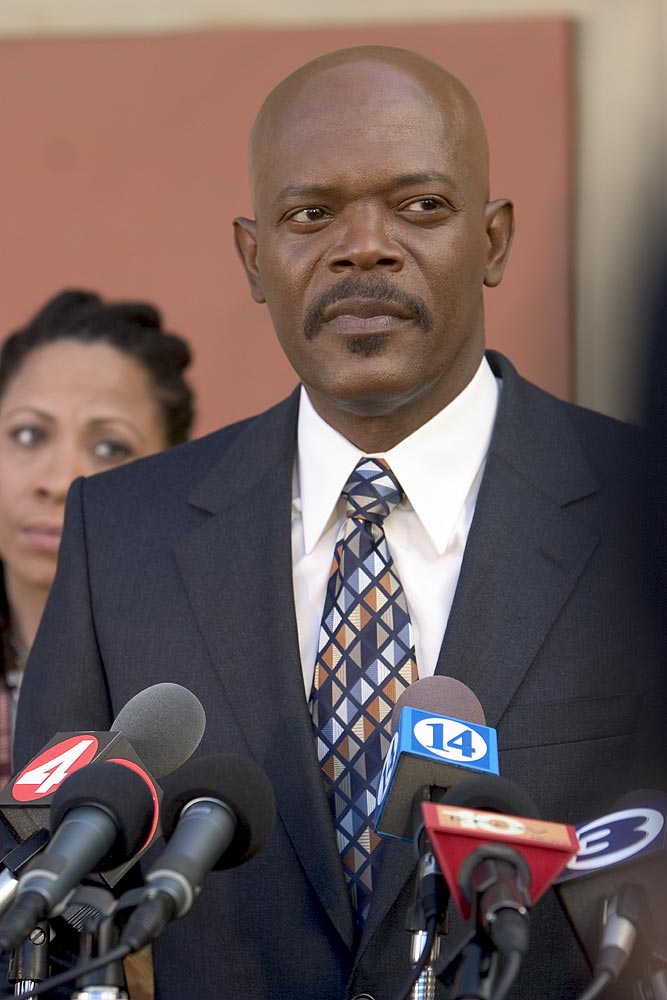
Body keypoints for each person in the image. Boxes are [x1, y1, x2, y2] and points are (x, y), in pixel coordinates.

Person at [13, 48, 665, 1000]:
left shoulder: (642, 504)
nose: (363, 247)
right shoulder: (119, 536)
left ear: (493, 241)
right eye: (312, 215)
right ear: (253, 258)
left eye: (420, 206)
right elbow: (48, 910)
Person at [0, 289, 195, 784]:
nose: (59, 482)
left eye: (110, 447)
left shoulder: (190, 692)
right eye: (28, 435)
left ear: (170, 470)